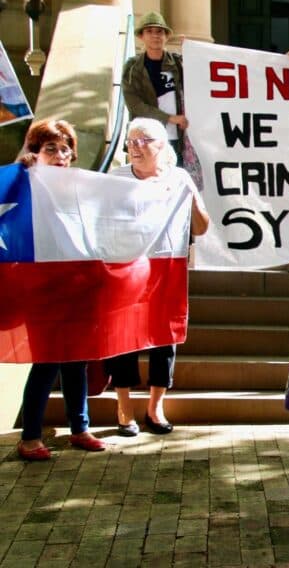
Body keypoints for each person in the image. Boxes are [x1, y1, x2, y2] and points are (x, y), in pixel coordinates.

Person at [104, 118, 210, 437]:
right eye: (131, 141)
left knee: (164, 338)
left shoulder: (179, 178)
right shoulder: (115, 179)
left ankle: (155, 405)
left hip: (166, 269)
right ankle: (124, 406)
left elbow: (201, 228)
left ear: (162, 146)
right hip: (126, 269)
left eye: (143, 140)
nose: (134, 147)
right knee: (123, 337)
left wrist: (190, 193)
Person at [14, 119, 106, 460]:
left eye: (66, 148)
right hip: (42, 289)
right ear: (35, 152)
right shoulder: (25, 183)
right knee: (47, 361)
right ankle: (30, 437)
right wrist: (23, 166)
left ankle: (79, 428)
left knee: (75, 361)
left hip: (77, 285)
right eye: (51, 148)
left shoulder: (78, 187)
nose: (60, 155)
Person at [122, 12, 186, 160]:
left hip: (177, 137)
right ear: (141, 36)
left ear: (166, 36)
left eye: (159, 31)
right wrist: (170, 118)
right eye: (149, 31)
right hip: (146, 139)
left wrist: (191, 52)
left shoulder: (177, 63)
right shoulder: (133, 67)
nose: (155, 36)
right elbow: (135, 105)